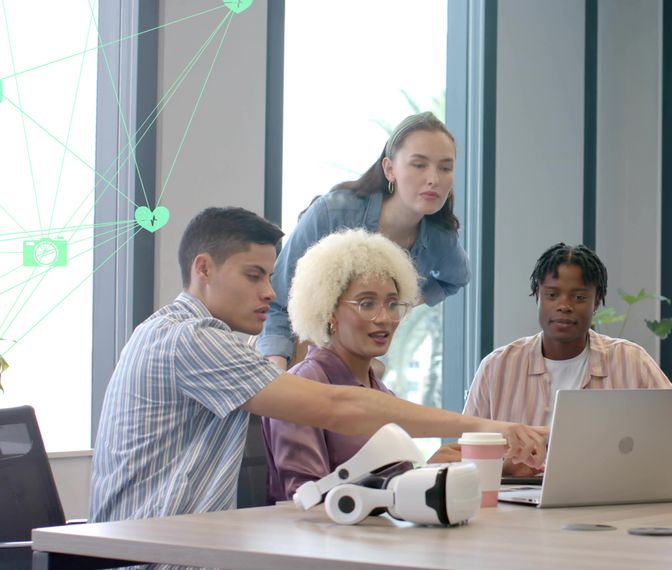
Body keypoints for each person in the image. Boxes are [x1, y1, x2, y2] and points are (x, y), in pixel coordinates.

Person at [89, 207, 545, 523]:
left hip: (185, 545)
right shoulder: (189, 339)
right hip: (156, 556)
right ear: (203, 269)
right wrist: (486, 427)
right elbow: (337, 408)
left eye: (392, 304)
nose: (269, 293)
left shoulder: (191, 337)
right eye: (253, 276)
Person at [257, 112, 468, 371]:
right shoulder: (331, 213)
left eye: (445, 168)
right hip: (294, 354)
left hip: (358, 362)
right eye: (419, 165)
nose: (434, 179)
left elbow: (456, 279)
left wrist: (403, 301)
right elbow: (276, 301)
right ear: (389, 169)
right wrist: (276, 370)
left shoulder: (440, 237)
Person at [462, 243, 672, 474]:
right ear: (537, 296)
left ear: (597, 301)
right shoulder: (497, 366)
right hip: (516, 494)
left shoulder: (631, 361)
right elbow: (464, 455)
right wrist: (505, 468)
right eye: (552, 295)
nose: (564, 306)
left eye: (579, 297)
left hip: (607, 491)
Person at [264, 228, 437, 501]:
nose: (384, 318)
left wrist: (434, 469)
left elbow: (394, 487)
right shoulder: (302, 388)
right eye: (367, 304)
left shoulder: (382, 392)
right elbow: (305, 497)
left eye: (393, 304)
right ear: (329, 311)